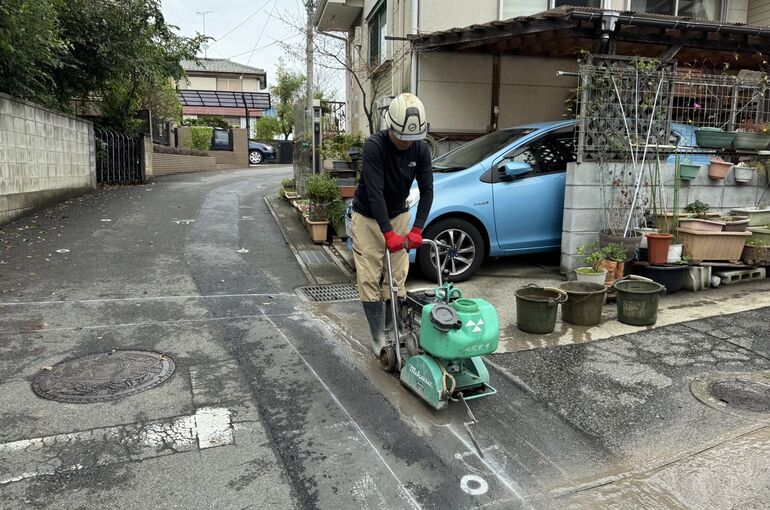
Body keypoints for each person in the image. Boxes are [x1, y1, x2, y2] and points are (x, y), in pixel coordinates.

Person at [351, 93, 434, 356]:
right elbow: (374, 193)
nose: (406, 143)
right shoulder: (374, 146)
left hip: (399, 215)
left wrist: (418, 228)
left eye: (412, 139)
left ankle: (393, 329)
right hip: (367, 218)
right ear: (391, 126)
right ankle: (378, 337)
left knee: (396, 278)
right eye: (401, 137)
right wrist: (386, 232)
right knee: (369, 277)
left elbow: (428, 190)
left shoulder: (420, 148)